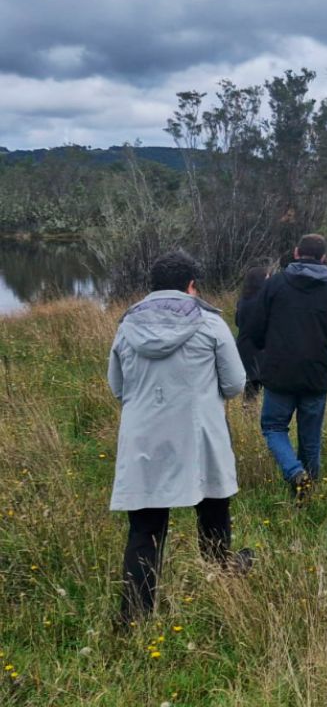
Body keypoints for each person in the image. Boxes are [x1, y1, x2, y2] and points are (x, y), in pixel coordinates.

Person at [107, 250, 251, 626]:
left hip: (144, 439)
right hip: (198, 434)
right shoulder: (210, 323)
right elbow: (236, 384)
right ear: (191, 285)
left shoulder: (127, 326)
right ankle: (221, 579)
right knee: (213, 510)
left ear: (152, 287)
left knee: (146, 527)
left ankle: (134, 616)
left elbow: (118, 387)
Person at [245, 234, 327, 498]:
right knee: (310, 439)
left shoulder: (275, 285)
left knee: (273, 427)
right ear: (324, 257)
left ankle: (294, 472)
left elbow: (255, 328)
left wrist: (266, 347)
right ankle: (305, 496)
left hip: (279, 373)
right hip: (316, 374)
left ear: (295, 252)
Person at [234, 265, 269, 401]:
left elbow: (237, 322)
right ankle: (251, 415)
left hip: (243, 346)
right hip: (257, 347)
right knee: (257, 384)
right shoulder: (262, 302)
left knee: (250, 385)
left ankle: (248, 414)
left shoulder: (243, 300)